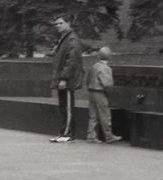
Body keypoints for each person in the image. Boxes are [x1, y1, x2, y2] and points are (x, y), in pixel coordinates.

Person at [49, 13, 84, 143]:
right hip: (62, 79)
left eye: (60, 23)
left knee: (68, 107)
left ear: (68, 23)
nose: (57, 26)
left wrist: (64, 78)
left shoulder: (72, 40)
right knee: (63, 106)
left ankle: (68, 133)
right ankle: (63, 132)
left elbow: (72, 61)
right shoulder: (65, 38)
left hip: (67, 81)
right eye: (56, 24)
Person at [85, 46, 122, 144]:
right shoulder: (105, 68)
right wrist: (111, 95)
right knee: (105, 114)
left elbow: (87, 79)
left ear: (98, 56)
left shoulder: (94, 66)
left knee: (93, 115)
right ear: (110, 57)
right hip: (100, 93)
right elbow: (107, 84)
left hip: (91, 91)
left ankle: (91, 136)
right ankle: (109, 136)